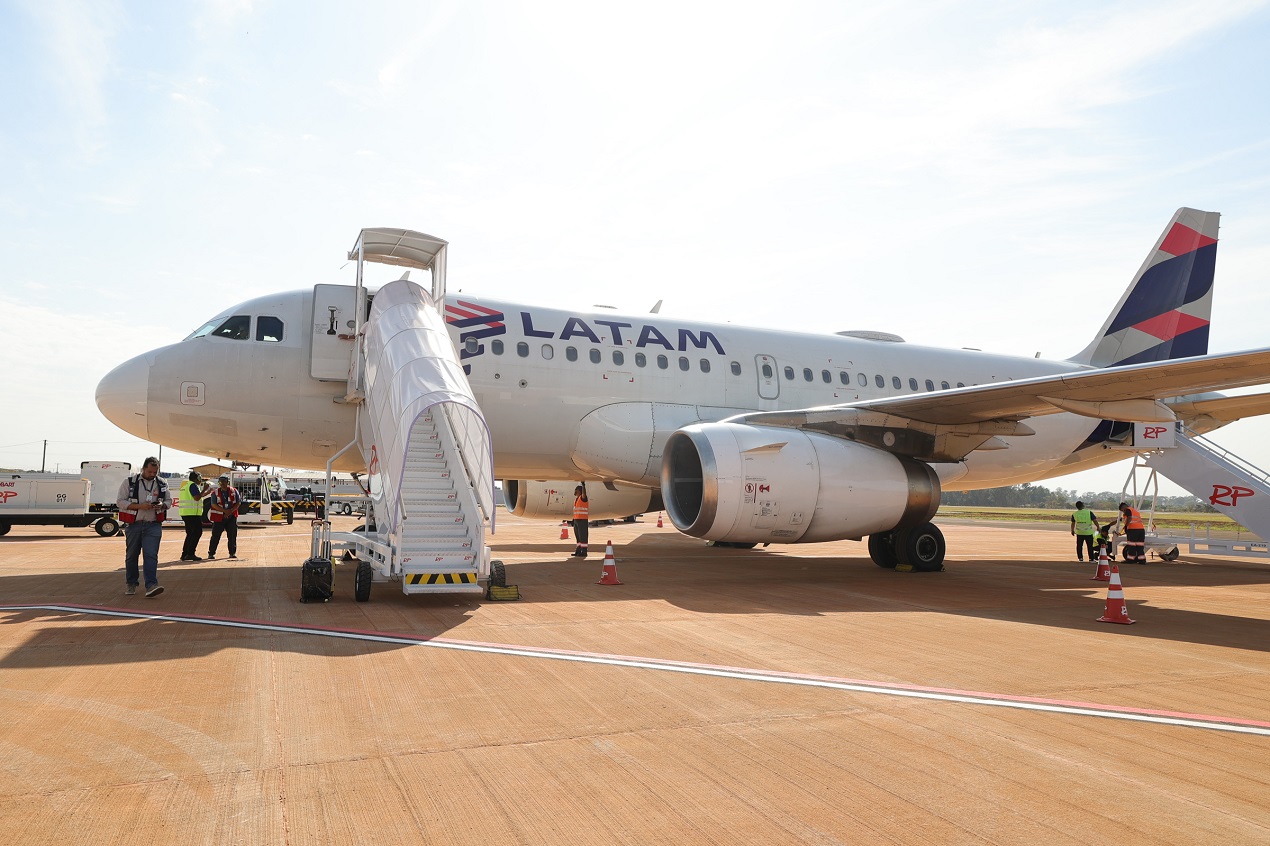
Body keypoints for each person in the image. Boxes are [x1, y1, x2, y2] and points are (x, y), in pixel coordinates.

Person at [116, 456, 170, 597]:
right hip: (134, 525)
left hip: (153, 525)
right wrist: (140, 506)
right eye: (149, 472)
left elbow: (168, 501)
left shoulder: (162, 483)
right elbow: (120, 501)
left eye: (155, 472)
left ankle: (151, 585)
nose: (152, 474)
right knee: (132, 556)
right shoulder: (129, 482)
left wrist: (162, 505)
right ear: (143, 469)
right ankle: (131, 583)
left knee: (151, 555)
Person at [207, 475, 242, 560]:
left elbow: (238, 502)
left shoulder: (234, 491)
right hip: (219, 518)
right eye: (220, 482)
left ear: (227, 482)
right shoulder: (215, 493)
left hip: (231, 517)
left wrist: (230, 511)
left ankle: (232, 553)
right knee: (215, 536)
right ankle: (211, 553)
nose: (222, 483)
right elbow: (214, 504)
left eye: (224, 481)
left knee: (232, 536)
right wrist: (224, 511)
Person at [178, 471, 211, 561]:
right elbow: (197, 498)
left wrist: (207, 492)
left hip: (185, 513)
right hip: (192, 513)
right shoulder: (193, 485)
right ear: (197, 478)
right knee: (197, 532)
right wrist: (204, 489)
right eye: (200, 478)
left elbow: (197, 496)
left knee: (190, 534)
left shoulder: (186, 485)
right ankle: (190, 553)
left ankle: (185, 554)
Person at [571, 484, 589, 558]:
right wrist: (573, 519)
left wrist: (583, 485)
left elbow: (584, 494)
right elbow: (576, 511)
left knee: (583, 537)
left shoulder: (583, 498)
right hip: (576, 520)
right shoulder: (576, 499)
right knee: (578, 537)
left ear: (580, 491)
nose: (575, 491)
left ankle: (584, 551)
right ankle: (578, 550)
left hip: (582, 520)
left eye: (576, 490)